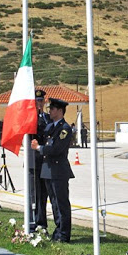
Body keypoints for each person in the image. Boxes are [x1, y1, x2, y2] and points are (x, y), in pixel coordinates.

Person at [31, 98, 74, 242]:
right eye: (49, 108)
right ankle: (58, 231)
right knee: (54, 203)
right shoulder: (51, 127)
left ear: (60, 111)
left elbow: (55, 149)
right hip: (48, 170)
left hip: (58, 170)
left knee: (61, 203)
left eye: (53, 109)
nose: (50, 111)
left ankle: (63, 234)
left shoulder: (65, 129)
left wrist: (39, 148)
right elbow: (39, 131)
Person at [30, 89, 51, 232]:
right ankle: (35, 221)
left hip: (47, 160)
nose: (39, 103)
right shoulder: (30, 119)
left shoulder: (49, 118)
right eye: (37, 101)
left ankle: (43, 222)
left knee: (45, 193)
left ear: (44, 101)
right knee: (35, 193)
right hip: (34, 160)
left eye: (41, 101)